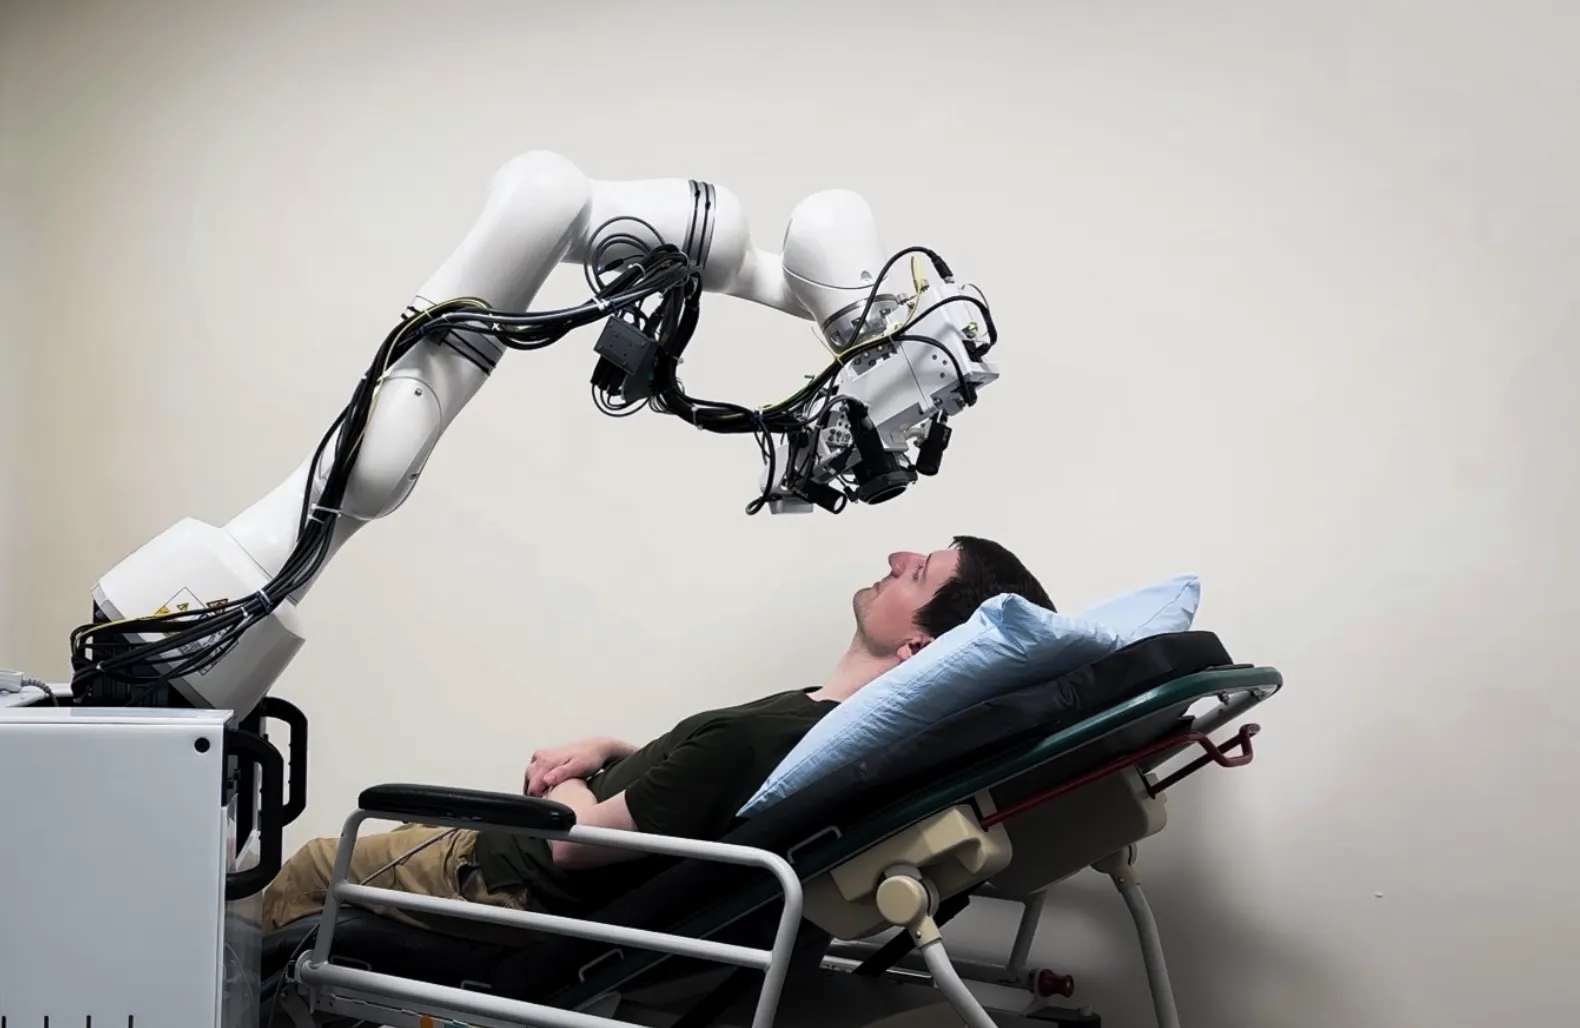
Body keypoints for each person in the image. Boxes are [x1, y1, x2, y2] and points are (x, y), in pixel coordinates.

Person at [261, 536, 1054, 938]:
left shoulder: (774, 737)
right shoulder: (814, 723)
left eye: (917, 574)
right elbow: (694, 795)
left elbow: (575, 845)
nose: (893, 556)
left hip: (502, 878)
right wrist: (609, 752)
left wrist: (563, 785)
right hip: (517, 863)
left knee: (309, 866)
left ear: (916, 647)